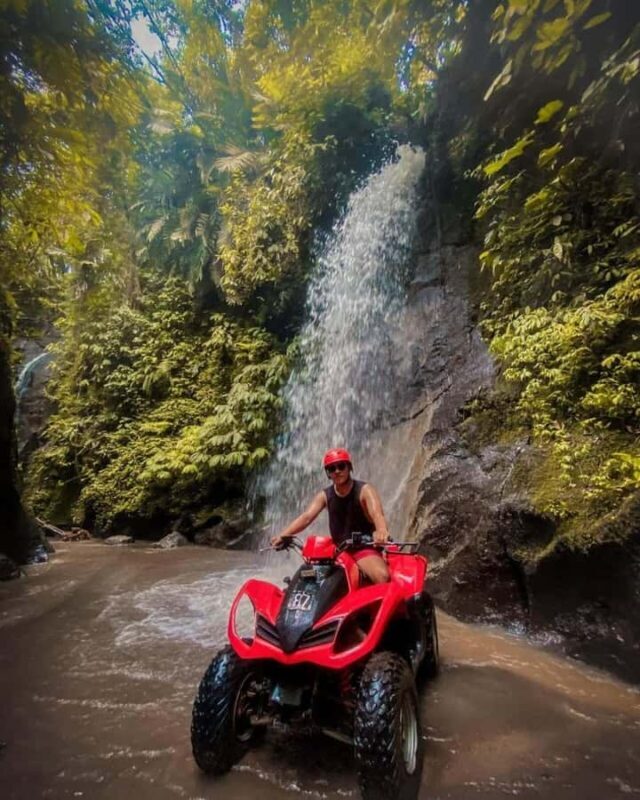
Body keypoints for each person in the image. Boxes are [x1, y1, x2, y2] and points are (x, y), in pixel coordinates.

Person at [270, 448, 390, 584]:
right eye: (332, 468)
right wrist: (283, 535)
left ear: (349, 467)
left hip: (362, 547)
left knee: (382, 577)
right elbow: (306, 517)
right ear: (328, 473)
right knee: (310, 580)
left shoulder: (365, 490)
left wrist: (381, 531)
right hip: (337, 551)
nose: (337, 471)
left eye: (341, 466)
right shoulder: (325, 495)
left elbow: (377, 514)